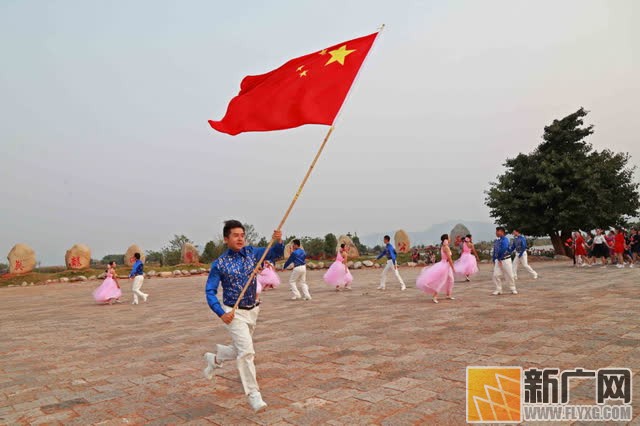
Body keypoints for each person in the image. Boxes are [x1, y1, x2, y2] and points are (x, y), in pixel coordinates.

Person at [203, 220, 284, 412]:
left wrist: (278, 242)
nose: (240, 239)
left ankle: (216, 359)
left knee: (240, 348)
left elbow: (274, 253)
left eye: (242, 235)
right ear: (226, 239)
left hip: (253, 310)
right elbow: (210, 291)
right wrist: (221, 313)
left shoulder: (252, 253)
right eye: (235, 235)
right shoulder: (220, 264)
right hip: (234, 313)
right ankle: (254, 395)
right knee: (247, 353)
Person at [417, 234, 455, 303]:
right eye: (449, 238)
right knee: (442, 281)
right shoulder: (445, 247)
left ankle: (448, 294)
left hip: (446, 265)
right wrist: (453, 267)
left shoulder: (445, 246)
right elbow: (449, 258)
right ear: (446, 239)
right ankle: (435, 296)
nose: (450, 239)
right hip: (444, 265)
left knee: (451, 279)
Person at [491, 226, 517, 296]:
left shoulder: (505, 240)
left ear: (502, 232)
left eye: (497, 231)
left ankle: (513, 288)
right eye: (496, 231)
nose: (496, 232)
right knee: (495, 275)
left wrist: (499, 258)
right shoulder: (496, 240)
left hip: (506, 260)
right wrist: (494, 259)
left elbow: (504, 248)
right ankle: (498, 289)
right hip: (498, 261)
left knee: (510, 275)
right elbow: (495, 250)